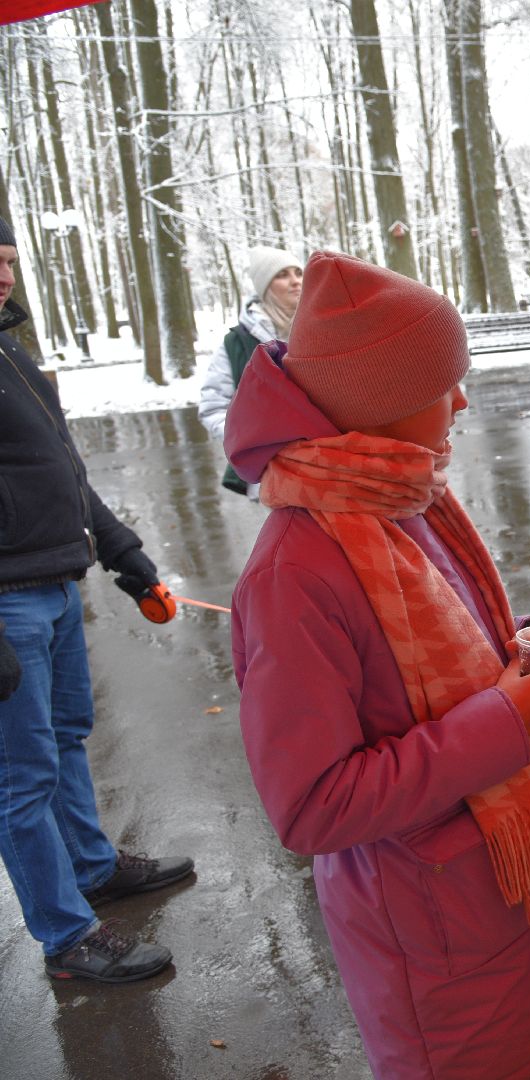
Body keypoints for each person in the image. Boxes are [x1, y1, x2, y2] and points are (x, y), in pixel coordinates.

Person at [226, 251, 530, 1078]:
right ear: (379, 404)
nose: (462, 401)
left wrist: (529, 648)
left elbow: (454, 649)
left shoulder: (402, 495)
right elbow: (313, 807)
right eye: (443, 385)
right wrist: (510, 718)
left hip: (487, 906)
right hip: (427, 931)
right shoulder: (295, 573)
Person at [0, 214, 194, 983]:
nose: (4, 271)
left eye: (10, 258)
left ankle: (91, 866)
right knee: (20, 777)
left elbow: (67, 473)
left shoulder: (14, 355)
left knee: (68, 735)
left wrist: (128, 558)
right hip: (4, 605)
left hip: (54, 585)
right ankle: (67, 936)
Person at [199, 246, 303, 496]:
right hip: (275, 476)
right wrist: (259, 445)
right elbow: (213, 407)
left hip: (333, 467)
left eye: (298, 272)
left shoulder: (323, 328)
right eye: (282, 275)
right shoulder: (238, 342)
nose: (295, 281)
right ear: (265, 287)